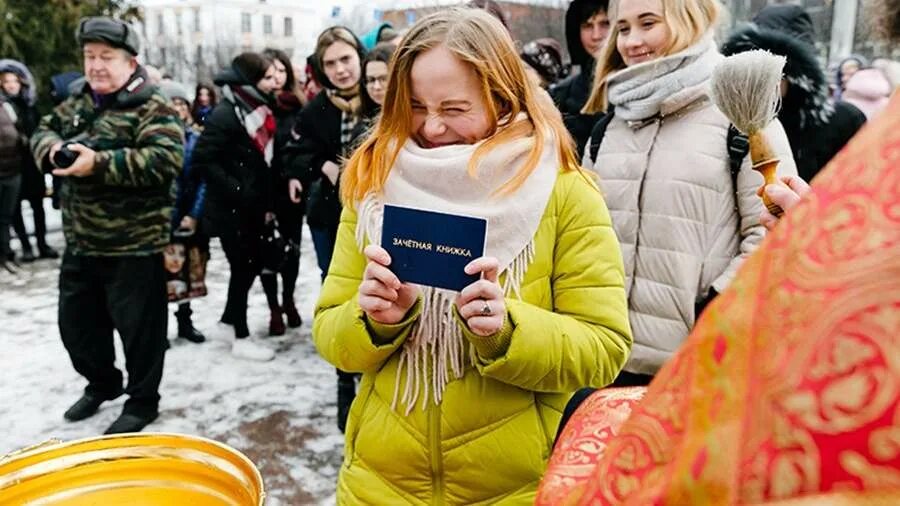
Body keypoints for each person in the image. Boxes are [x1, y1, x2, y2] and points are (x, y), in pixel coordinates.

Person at [314, 8, 632, 503]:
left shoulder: (562, 190)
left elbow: (604, 350)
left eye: (455, 108)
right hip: (380, 485)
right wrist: (375, 320)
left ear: (502, 96)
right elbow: (332, 338)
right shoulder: (374, 182)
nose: (433, 127)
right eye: (416, 106)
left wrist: (509, 332)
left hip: (517, 487)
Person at [581, 0, 798, 386]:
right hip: (603, 361)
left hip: (695, 369)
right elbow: (582, 234)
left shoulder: (743, 116)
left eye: (648, 23)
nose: (631, 41)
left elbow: (774, 234)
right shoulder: (607, 128)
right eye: (623, 28)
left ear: (692, 18)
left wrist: (713, 309)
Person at [29, 17, 184, 434]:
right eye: (89, 56)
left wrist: (98, 163)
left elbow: (166, 160)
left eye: (106, 57)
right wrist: (53, 150)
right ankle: (103, 383)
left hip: (134, 245)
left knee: (141, 333)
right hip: (81, 242)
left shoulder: (154, 106)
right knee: (76, 327)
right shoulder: (77, 101)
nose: (95, 65)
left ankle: (142, 401)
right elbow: (41, 131)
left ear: (130, 61)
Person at [284, 26, 366, 432]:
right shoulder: (316, 109)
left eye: (346, 59)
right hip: (329, 218)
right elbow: (295, 151)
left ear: (359, 57)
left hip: (376, 218)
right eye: (331, 63)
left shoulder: (381, 96)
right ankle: (343, 379)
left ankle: (370, 370)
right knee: (337, 291)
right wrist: (323, 165)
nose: (340, 70)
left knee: (377, 290)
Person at [191, 53, 280, 361]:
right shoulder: (226, 113)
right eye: (267, 77)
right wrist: (238, 189)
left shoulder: (255, 108)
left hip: (251, 209)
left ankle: (229, 322)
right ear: (249, 80)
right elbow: (203, 158)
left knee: (249, 266)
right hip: (230, 211)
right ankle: (241, 336)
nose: (274, 82)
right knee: (243, 267)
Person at [722, 10, 866, 182]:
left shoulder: (844, 121)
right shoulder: (729, 123)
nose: (760, 80)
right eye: (751, 69)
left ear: (797, 76)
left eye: (772, 71)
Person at [261, 47, 305, 335]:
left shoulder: (298, 107)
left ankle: (288, 299)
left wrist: (295, 174)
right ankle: (273, 306)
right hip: (262, 190)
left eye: (281, 70)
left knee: (291, 249)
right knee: (265, 251)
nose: (277, 77)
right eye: (270, 71)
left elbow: (301, 149)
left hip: (291, 191)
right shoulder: (256, 107)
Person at [159, 80, 207, 343]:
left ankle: (185, 321)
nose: (177, 108)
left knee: (188, 272)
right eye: (172, 103)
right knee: (164, 276)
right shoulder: (156, 141)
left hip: (188, 215)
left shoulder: (195, 139)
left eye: (181, 103)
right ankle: (161, 327)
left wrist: (194, 214)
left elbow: (202, 181)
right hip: (162, 219)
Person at [0, 63, 58, 262]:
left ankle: (42, 244)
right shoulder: (4, 107)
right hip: (13, 164)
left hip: (33, 163)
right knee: (15, 209)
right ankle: (25, 246)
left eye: (14, 81)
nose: (11, 85)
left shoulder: (30, 105)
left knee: (38, 205)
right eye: (6, 81)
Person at [550, 0, 611, 156]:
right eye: (587, 26)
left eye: (605, 24)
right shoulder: (560, 96)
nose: (596, 35)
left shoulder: (640, 87)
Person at [0, 90, 22, 274]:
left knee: (6, 217)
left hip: (13, 170)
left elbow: (19, 129)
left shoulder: (7, 105)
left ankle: (7, 253)